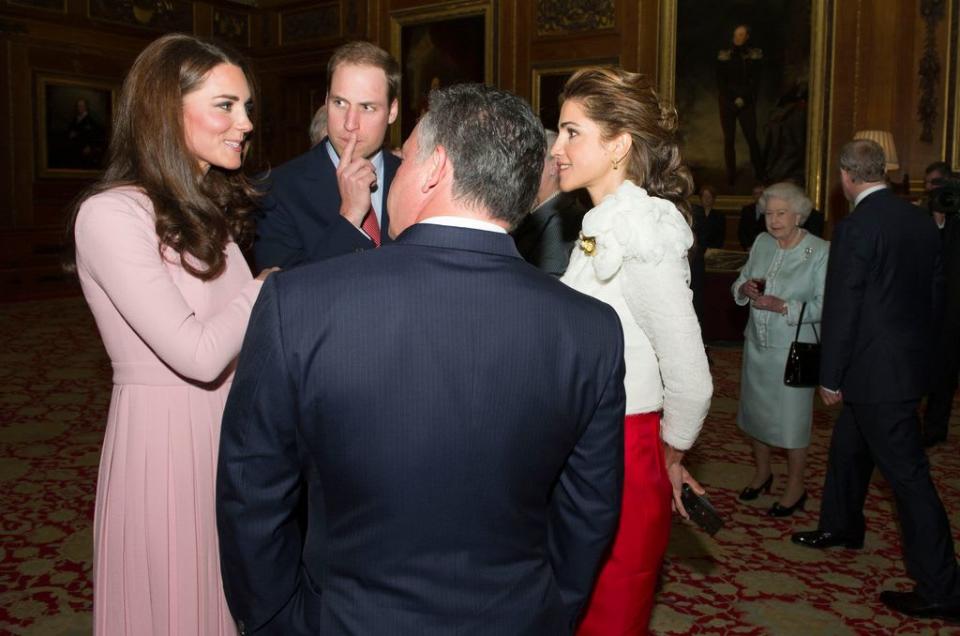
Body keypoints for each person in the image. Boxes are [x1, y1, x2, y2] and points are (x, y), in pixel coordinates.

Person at [217, 84, 627, 635]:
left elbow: (252, 495)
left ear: (433, 168)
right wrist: (548, 613)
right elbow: (588, 514)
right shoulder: (591, 329)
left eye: (404, 156)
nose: (395, 170)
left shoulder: (299, 303)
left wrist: (274, 622)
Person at [66, 34, 274, 635]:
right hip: (163, 439)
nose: (245, 123)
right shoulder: (110, 215)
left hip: (227, 433)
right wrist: (268, 287)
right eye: (226, 105)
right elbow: (197, 353)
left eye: (248, 107)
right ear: (166, 108)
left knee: (224, 597)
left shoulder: (206, 210)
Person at [553, 67, 713, 634]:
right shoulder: (604, 220)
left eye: (572, 132)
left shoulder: (642, 229)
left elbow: (690, 376)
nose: (558, 148)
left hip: (626, 451)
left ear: (618, 144)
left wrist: (669, 456)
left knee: (610, 614)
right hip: (591, 448)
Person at [792, 139, 960, 622]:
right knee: (847, 447)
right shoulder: (919, 218)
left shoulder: (856, 227)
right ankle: (841, 526)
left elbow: (844, 305)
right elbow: (935, 295)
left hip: (875, 373)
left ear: (846, 176)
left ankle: (942, 586)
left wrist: (830, 375)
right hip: (904, 363)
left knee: (909, 479)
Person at [254, 41, 401, 268]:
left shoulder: (414, 181)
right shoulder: (275, 190)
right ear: (325, 102)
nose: (350, 124)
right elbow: (286, 295)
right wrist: (349, 217)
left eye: (367, 107)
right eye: (340, 103)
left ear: (392, 111)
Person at [732, 182, 828, 516]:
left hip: (794, 351)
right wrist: (743, 288)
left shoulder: (820, 251)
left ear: (799, 214)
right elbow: (742, 279)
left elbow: (825, 305)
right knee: (754, 415)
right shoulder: (761, 242)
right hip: (757, 344)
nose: (773, 221)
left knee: (792, 422)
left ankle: (796, 486)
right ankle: (762, 473)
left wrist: (784, 306)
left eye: (781, 213)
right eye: (768, 214)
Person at [511, 129, 586, 276]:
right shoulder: (534, 212)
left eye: (530, 161)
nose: (522, 170)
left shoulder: (565, 222)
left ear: (554, 167)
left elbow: (549, 284)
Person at [922, 161, 959, 447]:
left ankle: (936, 427)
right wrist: (936, 218)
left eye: (936, 184)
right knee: (936, 369)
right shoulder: (926, 213)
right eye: (928, 185)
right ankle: (929, 427)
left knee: (946, 369)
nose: (931, 189)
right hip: (937, 305)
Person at [717, 24, 765, 186]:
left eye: (742, 35)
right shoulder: (724, 55)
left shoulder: (755, 55)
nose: (738, 37)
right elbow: (721, 82)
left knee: (751, 138)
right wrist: (733, 98)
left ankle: (760, 173)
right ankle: (731, 175)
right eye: (736, 34)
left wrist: (743, 98)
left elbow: (755, 81)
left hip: (747, 102)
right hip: (727, 103)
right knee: (729, 139)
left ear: (747, 37)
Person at [738, 183, 766, 249]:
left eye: (760, 193)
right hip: (749, 246)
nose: (758, 196)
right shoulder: (746, 209)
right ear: (753, 195)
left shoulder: (771, 209)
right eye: (755, 193)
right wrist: (747, 246)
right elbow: (741, 230)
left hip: (766, 246)